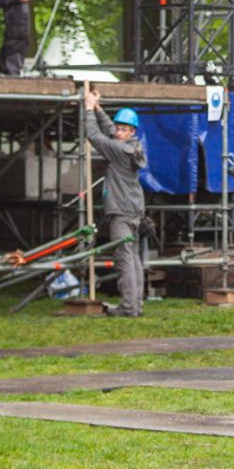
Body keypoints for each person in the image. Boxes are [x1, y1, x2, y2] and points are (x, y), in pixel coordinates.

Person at [84, 86, 148, 317]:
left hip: (121, 211)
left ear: (131, 132)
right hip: (133, 210)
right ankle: (136, 304)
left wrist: (89, 110)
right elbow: (111, 130)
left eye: (123, 129)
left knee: (124, 259)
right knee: (133, 258)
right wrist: (100, 109)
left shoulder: (118, 150)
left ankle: (129, 308)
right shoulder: (131, 147)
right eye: (119, 128)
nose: (118, 131)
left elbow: (95, 136)